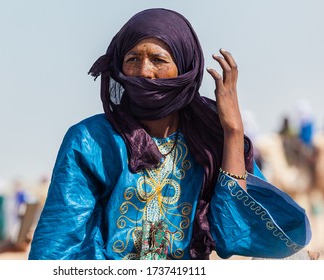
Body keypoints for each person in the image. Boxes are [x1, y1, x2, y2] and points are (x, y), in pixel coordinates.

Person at [28, 8, 311, 260]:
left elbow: (232, 236)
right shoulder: (90, 140)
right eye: (133, 59)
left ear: (184, 68)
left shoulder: (207, 142)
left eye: (158, 60)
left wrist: (233, 132)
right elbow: (58, 244)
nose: (144, 72)